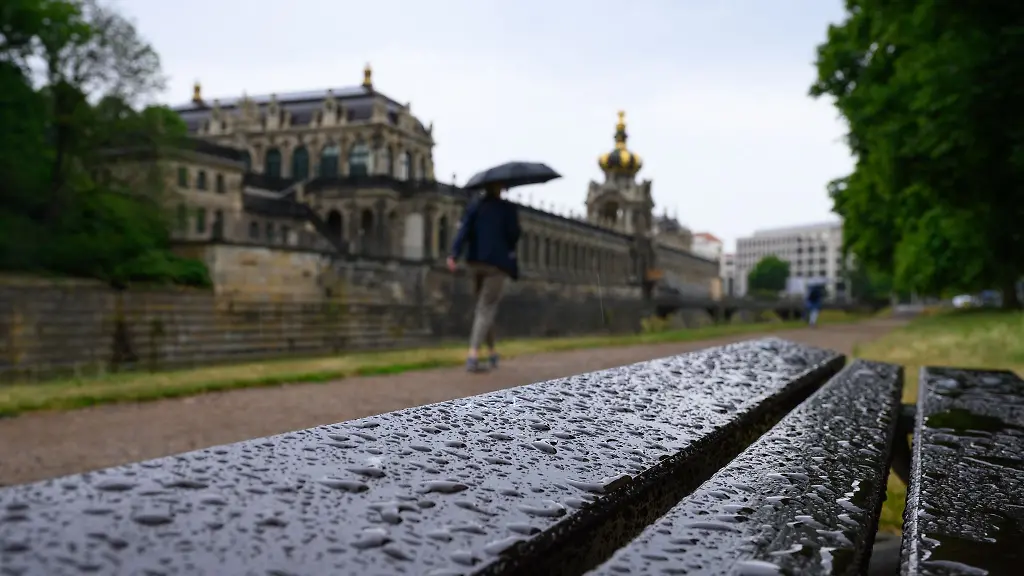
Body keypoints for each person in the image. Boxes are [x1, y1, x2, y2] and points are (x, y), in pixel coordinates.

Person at [447, 183, 520, 372]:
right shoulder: (507, 208)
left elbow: (463, 231)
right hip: (497, 264)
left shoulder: (475, 206)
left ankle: (493, 352)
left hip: (476, 262)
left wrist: (454, 254)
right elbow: (514, 235)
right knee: (485, 308)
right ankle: (473, 355)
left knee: (483, 309)